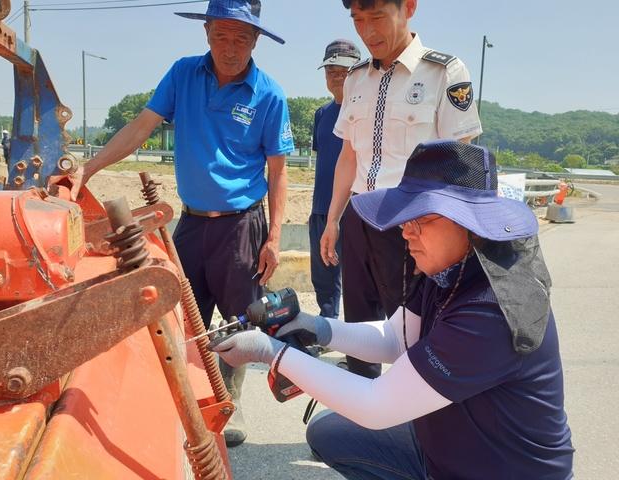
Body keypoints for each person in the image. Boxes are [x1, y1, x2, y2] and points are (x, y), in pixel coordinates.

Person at [209, 140, 574, 479]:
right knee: (330, 432)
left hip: (503, 468)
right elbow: (395, 337)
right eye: (405, 218)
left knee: (361, 417)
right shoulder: (448, 268)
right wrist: (318, 327)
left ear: (470, 225)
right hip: (447, 446)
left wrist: (270, 352)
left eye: (422, 219)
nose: (405, 232)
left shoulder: (492, 310)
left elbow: (376, 405)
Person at [63, 0, 294, 447]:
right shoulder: (183, 74)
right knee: (185, 314)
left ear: (256, 40)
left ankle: (230, 397)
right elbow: (140, 127)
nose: (230, 48)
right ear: (207, 32)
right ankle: (186, 395)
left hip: (241, 225)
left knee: (237, 320)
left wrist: (275, 237)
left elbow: (278, 170)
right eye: (222, 35)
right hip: (190, 223)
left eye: (241, 38)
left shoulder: (269, 94)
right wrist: (86, 171)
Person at [320, 0, 483, 379]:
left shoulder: (443, 71)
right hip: (361, 216)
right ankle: (362, 409)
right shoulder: (357, 77)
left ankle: (414, 421)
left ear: (408, 8)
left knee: (411, 325)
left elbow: (463, 158)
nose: (367, 31)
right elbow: (349, 155)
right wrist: (333, 219)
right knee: (359, 320)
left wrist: (456, 236)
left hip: (413, 221)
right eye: (358, 20)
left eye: (376, 17)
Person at [310, 39, 361, 319]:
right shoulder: (322, 114)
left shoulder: (366, 113)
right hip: (321, 208)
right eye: (331, 71)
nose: (336, 76)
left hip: (354, 210)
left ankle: (361, 348)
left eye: (344, 71)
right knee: (323, 275)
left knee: (357, 280)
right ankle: (327, 329)